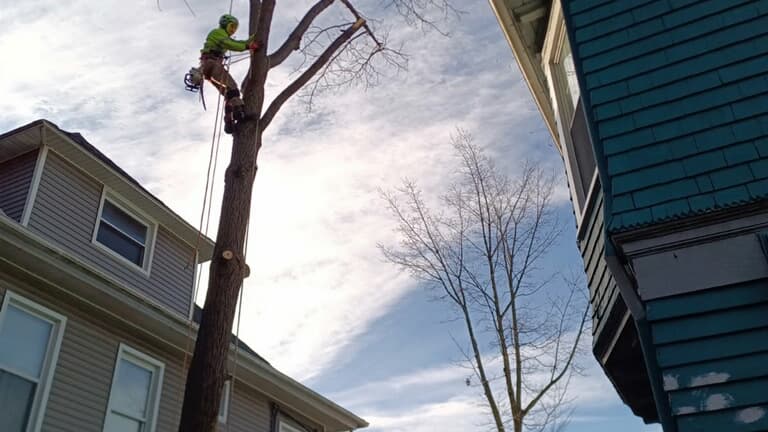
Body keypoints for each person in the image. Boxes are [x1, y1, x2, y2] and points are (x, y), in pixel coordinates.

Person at [200, 14, 259, 133]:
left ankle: (228, 122)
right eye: (231, 26)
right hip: (211, 64)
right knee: (233, 88)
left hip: (209, 67)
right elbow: (231, 44)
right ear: (224, 24)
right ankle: (239, 113)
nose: (233, 30)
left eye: (235, 28)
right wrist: (248, 46)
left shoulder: (224, 36)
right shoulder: (217, 33)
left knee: (229, 94)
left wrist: (253, 38)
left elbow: (237, 42)